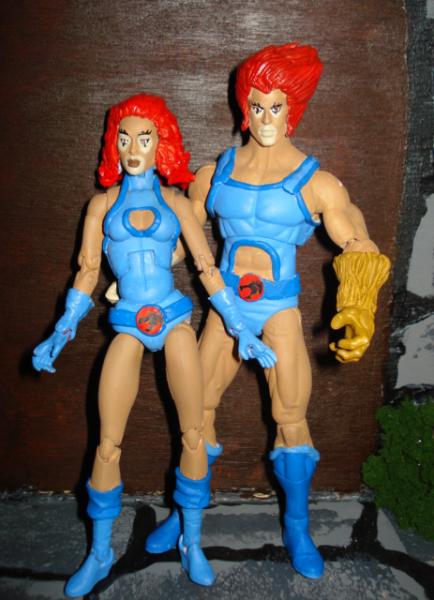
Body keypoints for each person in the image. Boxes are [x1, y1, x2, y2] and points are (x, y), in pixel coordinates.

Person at [147, 44, 390, 579]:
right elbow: (181, 239)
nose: (264, 118)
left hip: (278, 311)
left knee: (291, 416)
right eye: (256, 106)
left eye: (275, 106)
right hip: (225, 307)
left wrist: (356, 307)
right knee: (196, 410)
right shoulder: (216, 173)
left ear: (291, 108)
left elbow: (358, 241)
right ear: (244, 107)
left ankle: (297, 526)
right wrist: (139, 270)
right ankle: (185, 514)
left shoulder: (316, 182)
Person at [32, 93, 276, 596]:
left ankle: (191, 540)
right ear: (113, 145)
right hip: (127, 323)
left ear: (160, 143)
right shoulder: (101, 206)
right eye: (124, 138)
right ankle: (100, 552)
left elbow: (207, 268)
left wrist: (241, 328)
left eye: (144, 138)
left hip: (173, 319)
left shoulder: (176, 203)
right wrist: (61, 330)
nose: (133, 148)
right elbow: (87, 273)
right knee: (107, 441)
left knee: (193, 433)